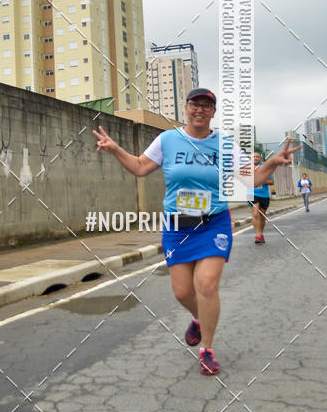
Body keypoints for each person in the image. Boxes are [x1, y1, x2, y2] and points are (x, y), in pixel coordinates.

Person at [93, 88, 300, 376]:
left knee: (206, 284)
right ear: (186, 108)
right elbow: (140, 167)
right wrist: (116, 149)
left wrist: (273, 163)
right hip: (177, 227)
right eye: (194, 104)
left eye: (206, 105)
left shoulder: (225, 146)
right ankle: (198, 318)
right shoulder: (167, 140)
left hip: (213, 223)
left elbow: (251, 179)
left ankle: (207, 349)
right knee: (181, 292)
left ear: (213, 112)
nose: (200, 109)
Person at [248, 152, 273, 244]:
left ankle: (261, 234)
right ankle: (258, 236)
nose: (255, 158)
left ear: (260, 158)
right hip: (251, 193)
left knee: (262, 216)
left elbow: (272, 181)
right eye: (253, 157)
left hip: (264, 195)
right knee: (255, 213)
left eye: (257, 157)